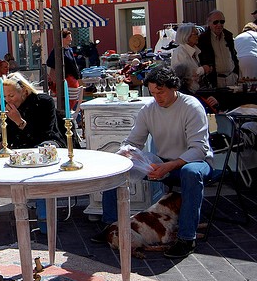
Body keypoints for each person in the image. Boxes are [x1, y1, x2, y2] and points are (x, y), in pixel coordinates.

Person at [91, 67, 212, 259]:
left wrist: (169, 166)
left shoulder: (191, 106)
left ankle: (186, 239)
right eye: (153, 93)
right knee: (116, 167)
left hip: (195, 162)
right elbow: (133, 141)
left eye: (161, 92)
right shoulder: (149, 109)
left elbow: (199, 149)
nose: (157, 97)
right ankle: (113, 226)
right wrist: (125, 152)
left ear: (174, 87)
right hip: (163, 162)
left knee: (190, 172)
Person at [2, 72, 65, 233]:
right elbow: (10, 137)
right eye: (5, 96)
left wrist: (20, 122)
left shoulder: (44, 102)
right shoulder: (9, 109)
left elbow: (45, 134)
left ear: (24, 91)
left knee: (39, 158)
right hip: (23, 149)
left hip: (48, 145)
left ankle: (45, 221)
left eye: (11, 95)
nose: (8, 100)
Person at [197, 10, 239, 87]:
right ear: (209, 23)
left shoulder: (228, 36)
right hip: (216, 79)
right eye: (215, 22)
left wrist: (236, 73)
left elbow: (233, 55)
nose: (219, 24)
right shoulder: (203, 39)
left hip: (231, 78)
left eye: (222, 22)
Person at [170, 24, 211, 92]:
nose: (198, 36)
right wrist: (202, 69)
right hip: (188, 93)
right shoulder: (180, 53)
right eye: (196, 34)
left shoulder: (194, 51)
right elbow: (184, 76)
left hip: (197, 91)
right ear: (187, 36)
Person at [46, 29, 80, 103]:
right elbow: (52, 66)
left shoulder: (69, 50)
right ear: (63, 39)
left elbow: (74, 64)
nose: (70, 39)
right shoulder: (57, 51)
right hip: (64, 81)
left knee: (72, 99)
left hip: (72, 81)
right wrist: (54, 82)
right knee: (64, 101)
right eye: (68, 37)